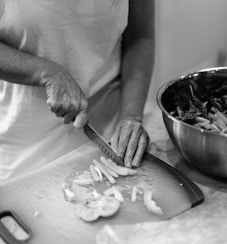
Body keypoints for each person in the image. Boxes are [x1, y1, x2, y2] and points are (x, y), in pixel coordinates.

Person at [0, 0, 155, 182]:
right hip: (25, 140)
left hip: (110, 126)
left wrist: (131, 115)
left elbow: (140, 37)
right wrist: (44, 72)